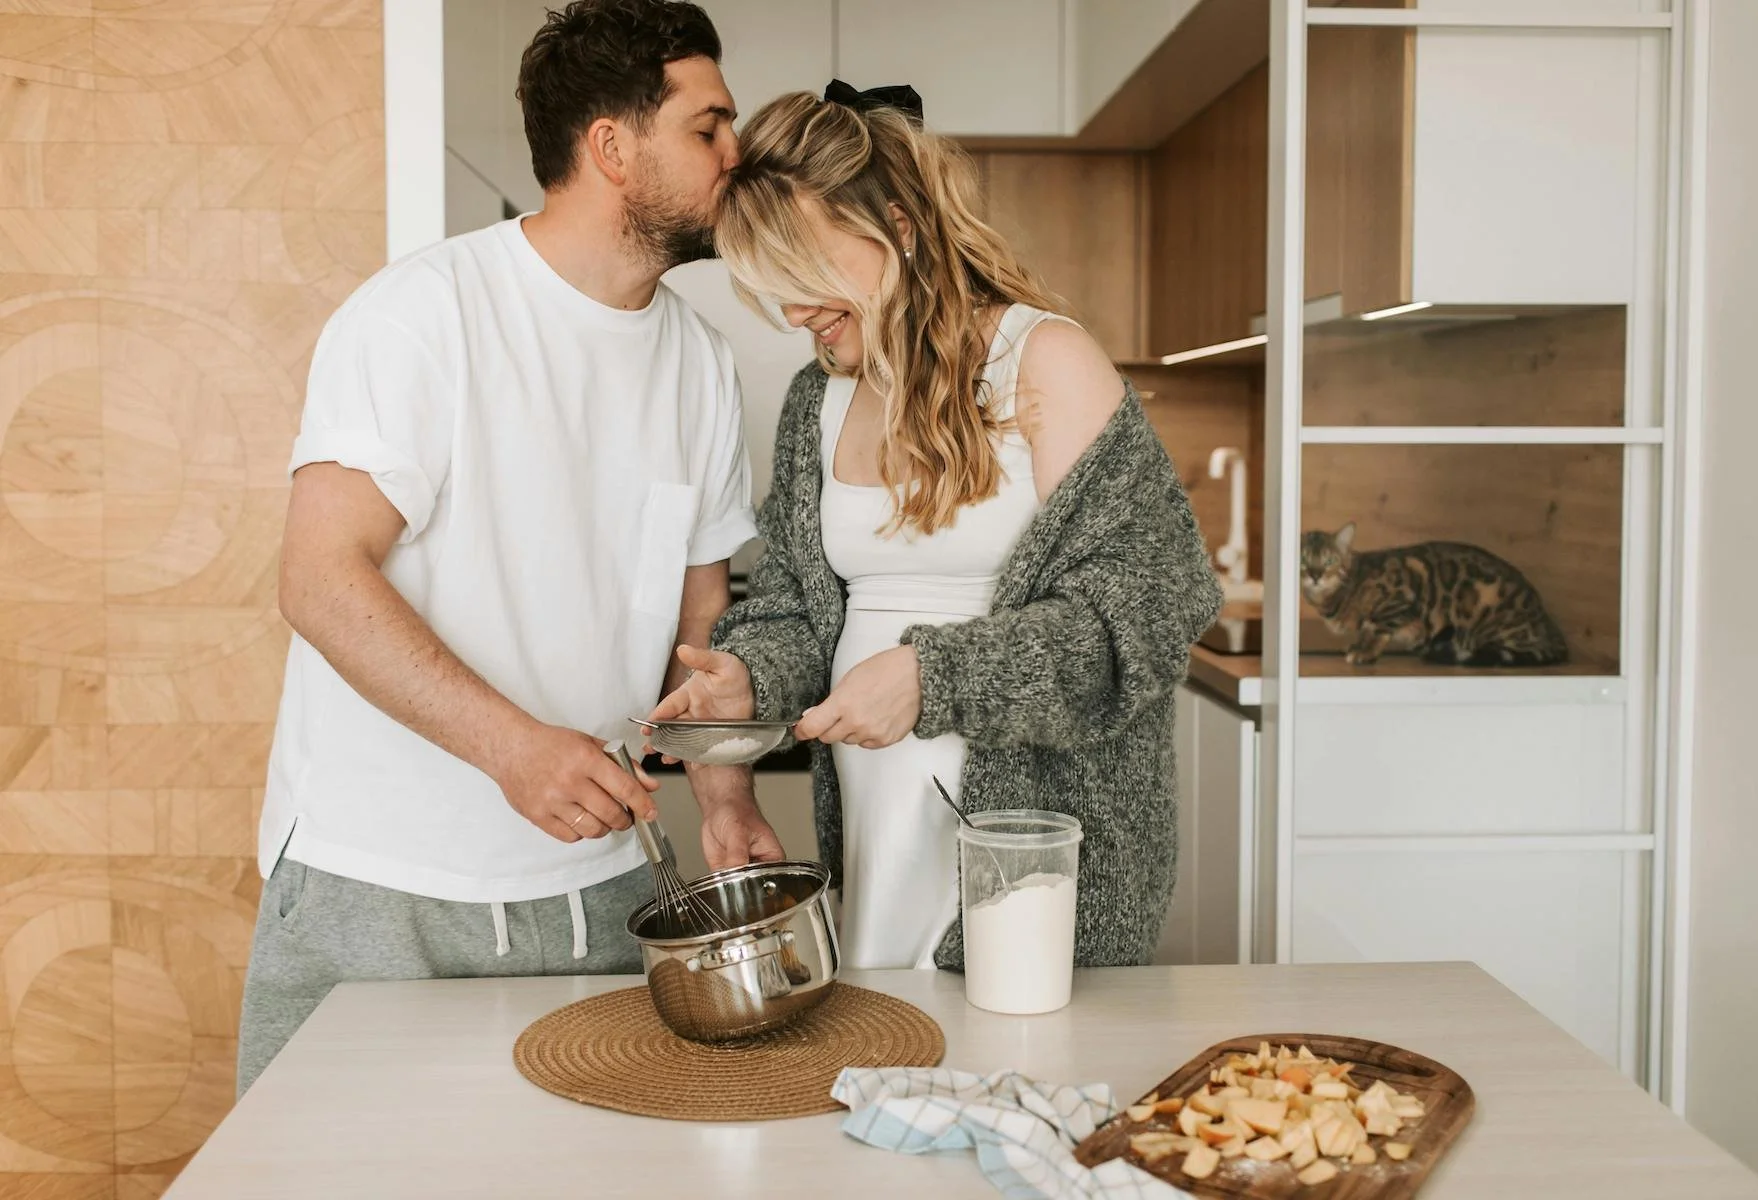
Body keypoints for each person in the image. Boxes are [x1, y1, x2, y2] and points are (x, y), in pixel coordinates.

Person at [237, 0, 784, 1095]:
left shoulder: (701, 362)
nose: (741, 154)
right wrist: (512, 749)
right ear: (613, 147)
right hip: (382, 885)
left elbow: (700, 606)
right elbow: (318, 576)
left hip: (597, 885)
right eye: (711, 126)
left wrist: (725, 801)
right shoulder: (423, 318)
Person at [649, 83, 1221, 972]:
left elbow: (1148, 609)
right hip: (883, 809)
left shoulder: (1045, 360)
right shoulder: (818, 399)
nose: (794, 313)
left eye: (803, 271)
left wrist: (933, 677)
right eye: (769, 285)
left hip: (1040, 822)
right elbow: (801, 608)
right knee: (896, 1057)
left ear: (900, 226)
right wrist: (750, 680)